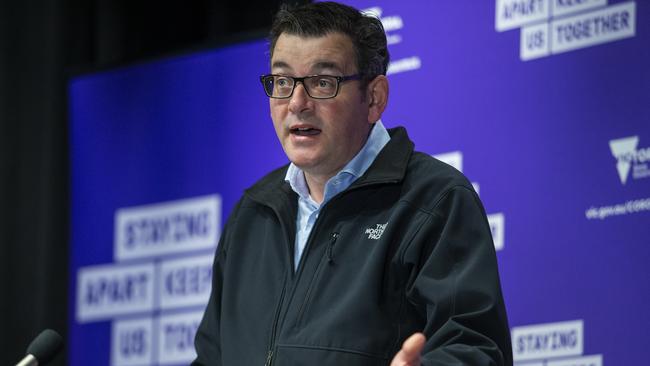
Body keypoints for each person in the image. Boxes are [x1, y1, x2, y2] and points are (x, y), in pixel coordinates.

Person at [193, 2, 512, 365]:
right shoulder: (253, 215)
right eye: (282, 81)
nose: (297, 103)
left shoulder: (434, 201)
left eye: (322, 82)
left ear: (374, 98)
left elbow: (475, 350)